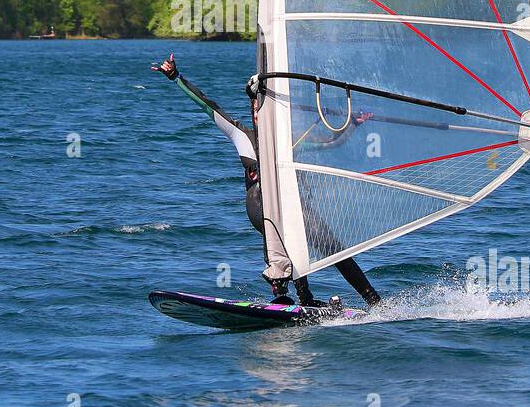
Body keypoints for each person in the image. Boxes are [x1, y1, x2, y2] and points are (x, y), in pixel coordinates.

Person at [152, 53, 380, 307]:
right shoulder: (242, 136)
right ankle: (285, 295)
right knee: (282, 234)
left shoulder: (292, 141)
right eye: (255, 107)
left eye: (263, 107)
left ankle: (372, 300)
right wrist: (176, 78)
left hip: (294, 203)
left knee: (331, 245)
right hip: (259, 202)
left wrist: (352, 125)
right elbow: (209, 107)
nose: (259, 112)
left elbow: (331, 141)